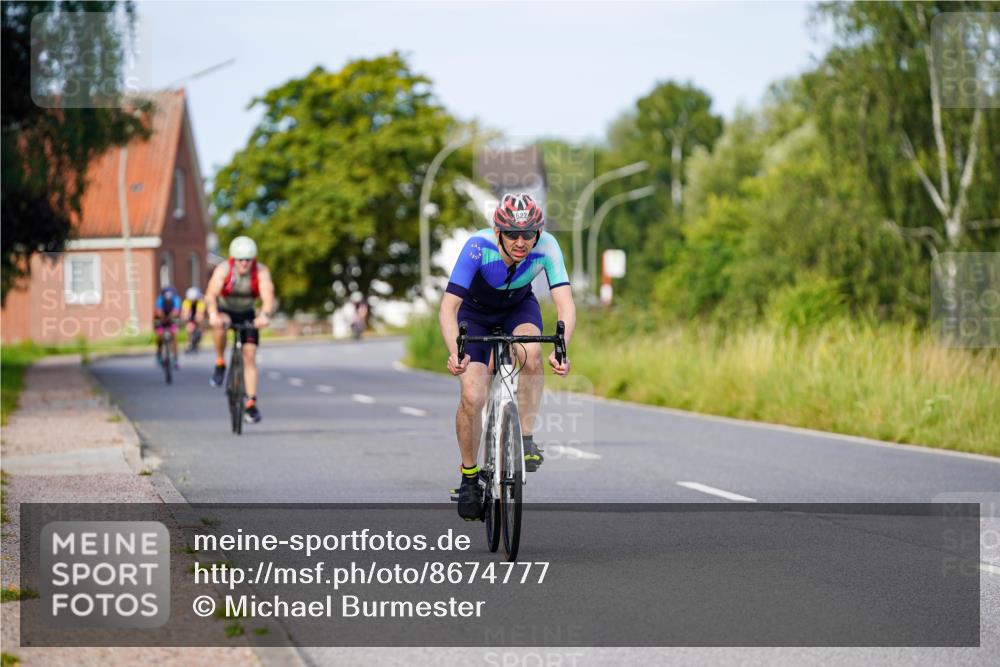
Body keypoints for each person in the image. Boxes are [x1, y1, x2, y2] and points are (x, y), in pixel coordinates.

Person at [439, 193, 576, 520]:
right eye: (512, 234)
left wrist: (561, 349)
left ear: (537, 233)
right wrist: (455, 353)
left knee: (531, 353)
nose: (521, 242)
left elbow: (566, 305)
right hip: (475, 314)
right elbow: (448, 308)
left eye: (528, 234)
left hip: (518, 308)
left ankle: (525, 439)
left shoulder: (548, 247)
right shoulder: (477, 247)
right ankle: (469, 477)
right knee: (473, 395)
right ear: (498, 232)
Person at [204, 236, 276, 424]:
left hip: (247, 313)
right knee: (219, 325)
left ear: (253, 259)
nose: (244, 263)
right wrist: (213, 313)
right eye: (240, 259)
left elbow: (268, 295)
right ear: (233, 259)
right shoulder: (223, 270)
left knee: (249, 354)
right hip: (226, 310)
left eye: (248, 259)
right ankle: (220, 362)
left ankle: (251, 403)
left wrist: (265, 315)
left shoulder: (260, 271)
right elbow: (211, 294)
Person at [154, 285, 182, 369]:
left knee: (174, 336)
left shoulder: (176, 299)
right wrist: (163, 317)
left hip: (172, 318)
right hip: (161, 318)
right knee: (159, 336)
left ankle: (175, 358)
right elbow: (158, 311)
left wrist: (170, 317)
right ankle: (159, 354)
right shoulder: (160, 299)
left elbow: (176, 311)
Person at [182, 286, 206, 353]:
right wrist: (186, 317)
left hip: (197, 314)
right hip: (191, 315)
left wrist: (198, 319)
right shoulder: (186, 302)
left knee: (199, 319)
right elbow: (185, 312)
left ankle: (201, 332)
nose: (193, 301)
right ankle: (189, 343)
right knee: (189, 328)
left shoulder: (200, 302)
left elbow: (200, 312)